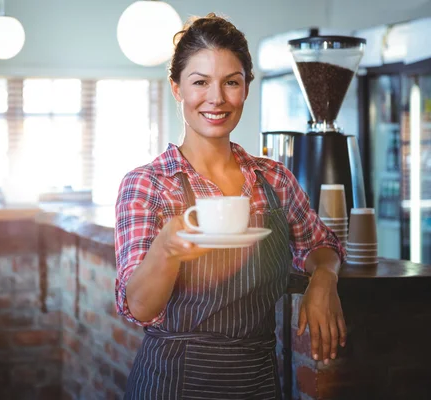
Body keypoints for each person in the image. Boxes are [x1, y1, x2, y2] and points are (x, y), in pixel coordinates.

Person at [114, 13, 347, 400]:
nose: (217, 98)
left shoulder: (274, 179)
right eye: (200, 82)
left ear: (246, 88)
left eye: (231, 83)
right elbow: (139, 307)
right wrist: (167, 251)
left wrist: (324, 279)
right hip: (172, 382)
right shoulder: (147, 185)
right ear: (177, 89)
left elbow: (321, 244)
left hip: (257, 381)